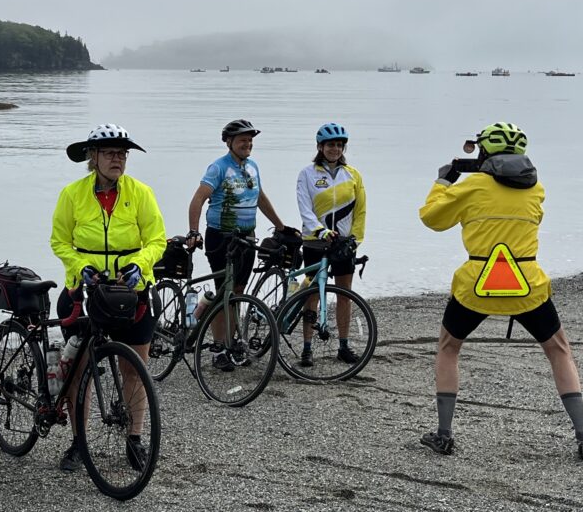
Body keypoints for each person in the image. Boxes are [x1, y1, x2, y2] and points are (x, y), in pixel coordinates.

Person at [418, 122, 583, 460]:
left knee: (449, 348)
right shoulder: (536, 189)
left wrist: (443, 181)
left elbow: (432, 219)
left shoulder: (472, 186)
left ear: (484, 151)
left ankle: (444, 435)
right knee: (559, 349)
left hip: (477, 285)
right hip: (527, 286)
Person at [51, 123, 166, 472]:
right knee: (80, 369)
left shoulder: (140, 192)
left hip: (132, 292)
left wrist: (139, 265)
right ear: (93, 157)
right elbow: (59, 242)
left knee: (134, 367)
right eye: (110, 153)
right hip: (86, 291)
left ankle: (134, 438)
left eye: (122, 153)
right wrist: (81, 265)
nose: (118, 159)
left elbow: (157, 241)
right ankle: (78, 441)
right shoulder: (72, 194)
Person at [186, 118, 287, 370]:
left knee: (238, 292)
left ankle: (233, 342)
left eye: (250, 140)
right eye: (243, 139)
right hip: (221, 237)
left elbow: (260, 198)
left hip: (246, 237)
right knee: (224, 293)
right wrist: (193, 231)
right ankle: (219, 347)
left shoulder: (252, 167)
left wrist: (281, 226)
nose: (248, 144)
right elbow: (198, 199)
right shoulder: (218, 168)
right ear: (229, 142)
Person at [295, 122, 366, 366]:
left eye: (339, 145)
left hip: (343, 244)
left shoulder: (353, 174)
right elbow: (305, 209)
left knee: (345, 295)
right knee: (312, 294)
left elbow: (361, 210)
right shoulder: (307, 174)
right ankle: (306, 347)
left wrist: (355, 239)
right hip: (315, 242)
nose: (335, 149)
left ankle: (344, 346)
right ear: (320, 147)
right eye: (330, 145)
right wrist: (320, 230)